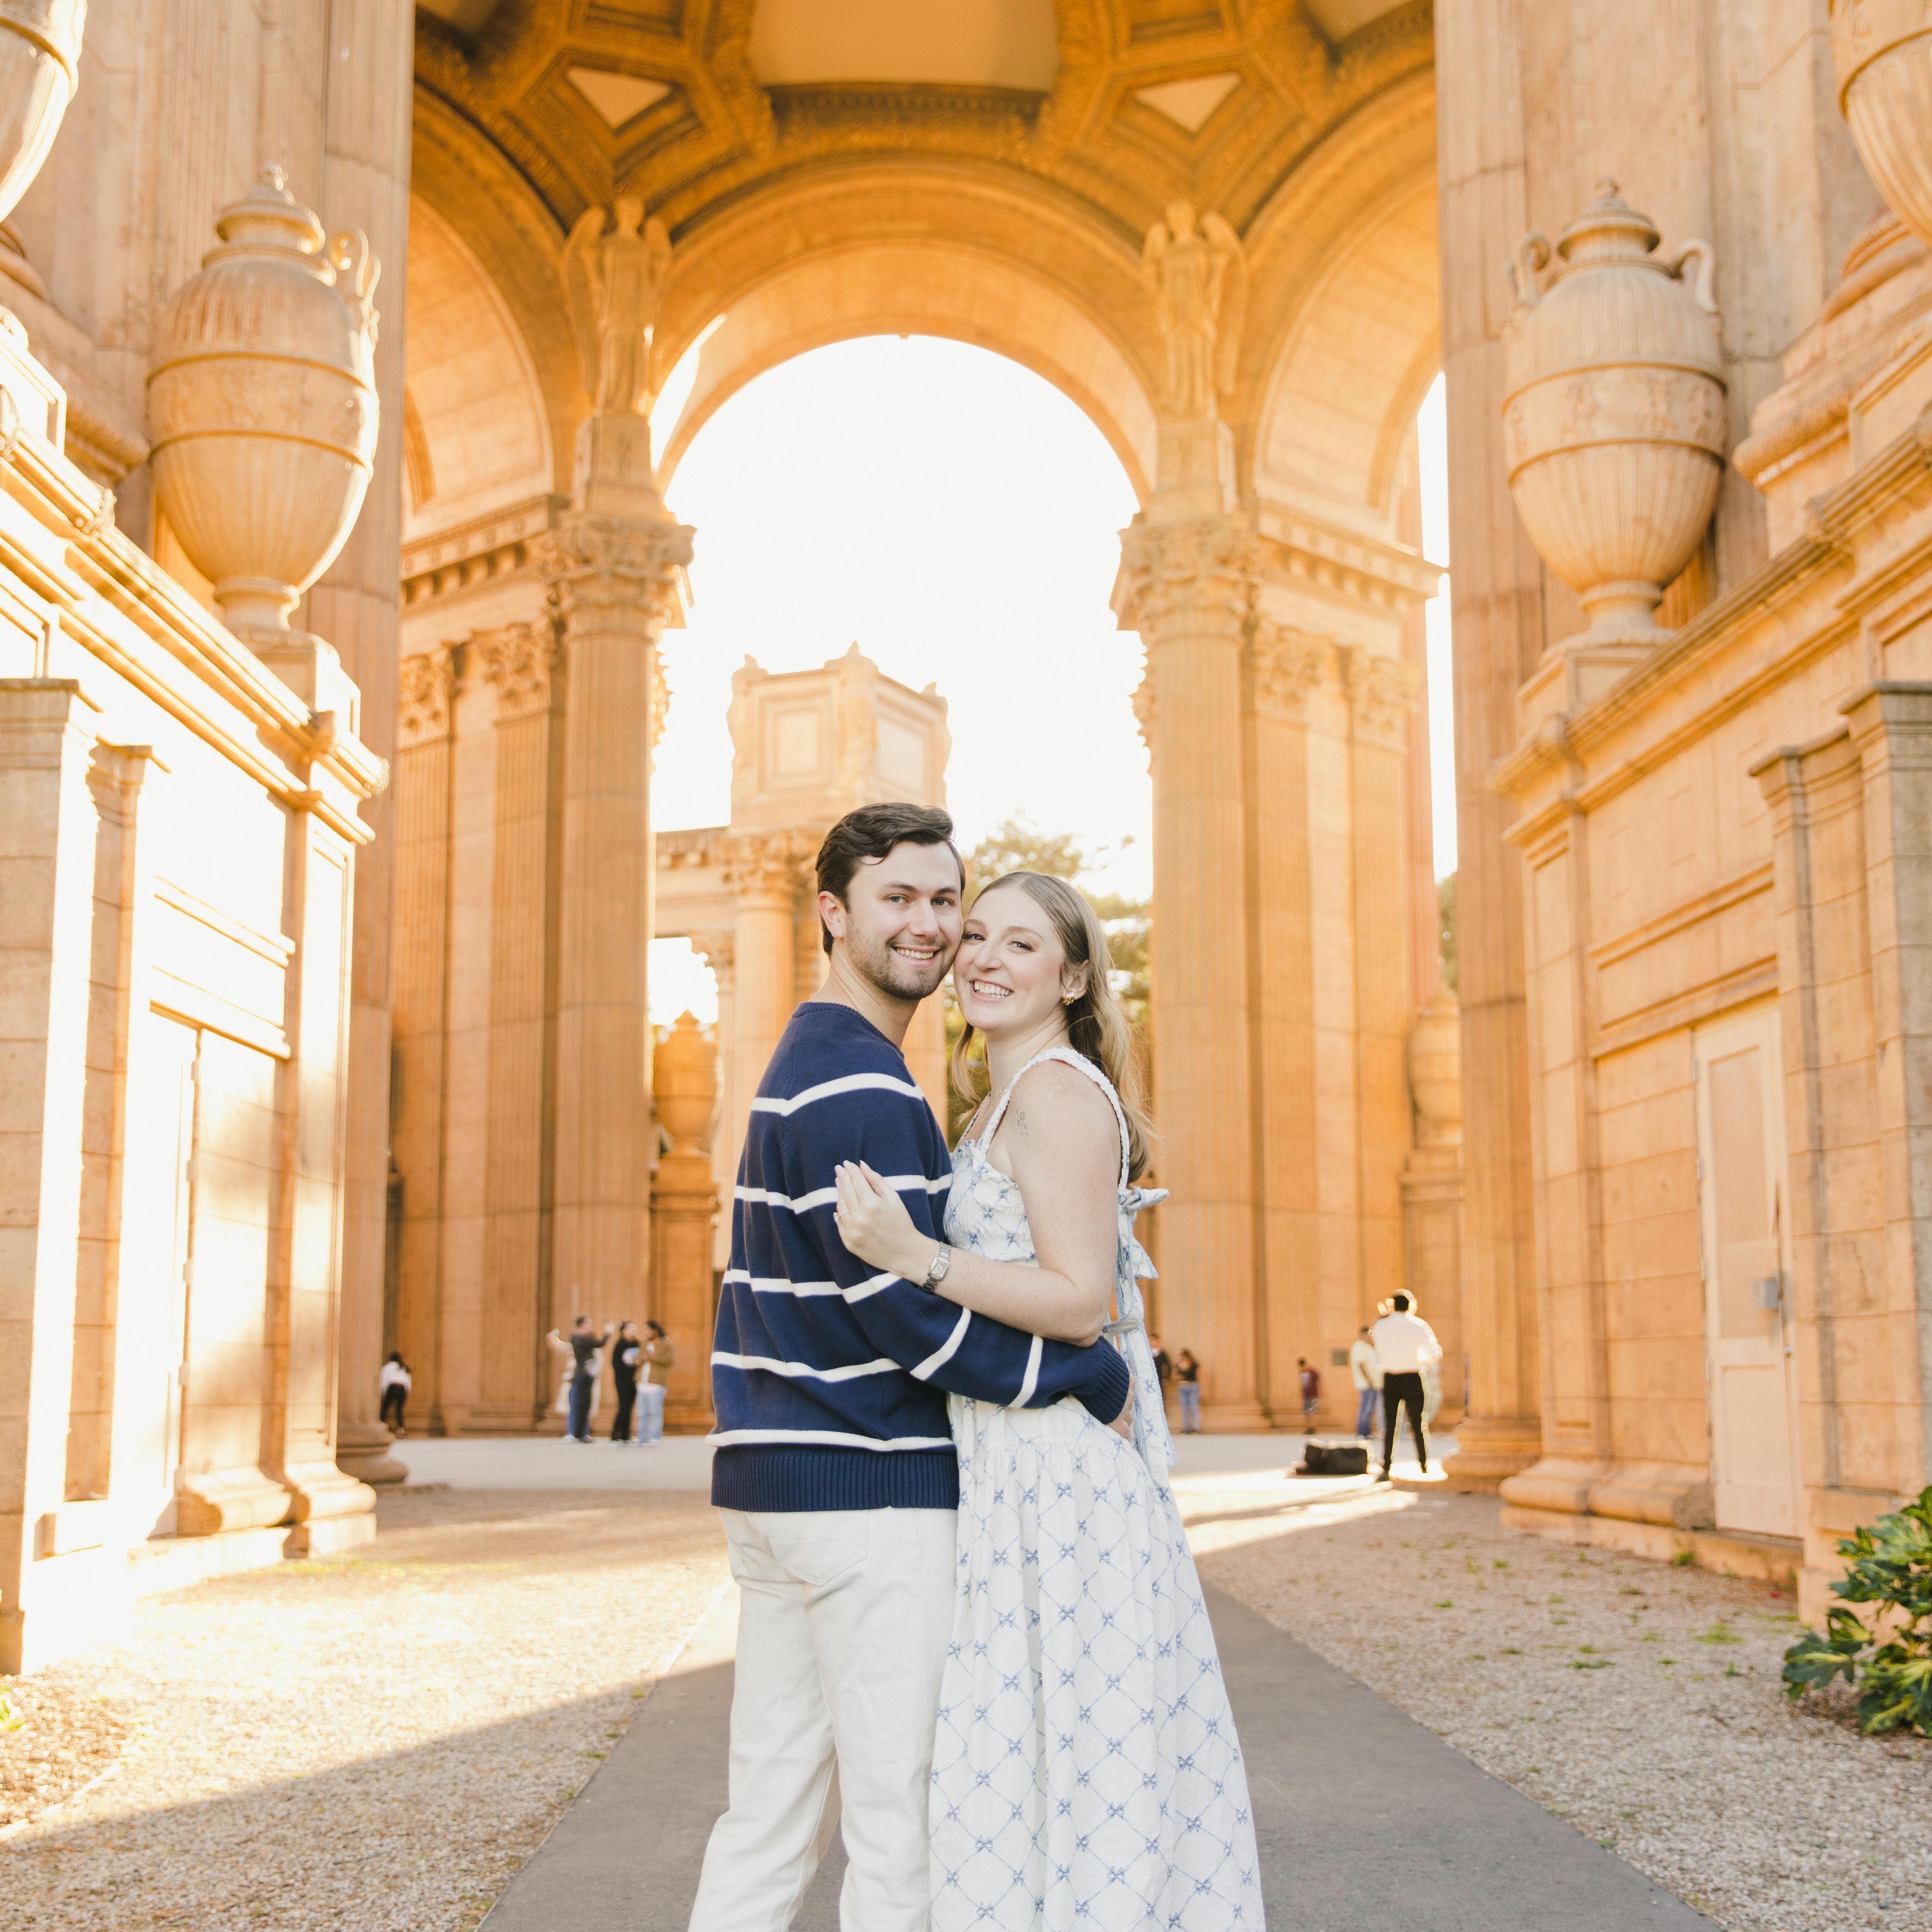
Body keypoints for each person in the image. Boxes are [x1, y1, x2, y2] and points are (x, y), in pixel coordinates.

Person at [686, 806, 1136, 1932]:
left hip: (775, 1479)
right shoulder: (868, 1089)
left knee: (769, 1813)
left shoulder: (806, 1057)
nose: (933, 928)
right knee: (906, 1823)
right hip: (868, 1493)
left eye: (947, 901)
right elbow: (906, 1320)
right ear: (833, 912)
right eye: (899, 899)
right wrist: (1083, 1375)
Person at [836, 868, 1263, 1928]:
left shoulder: (1061, 1094)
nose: (981, 955)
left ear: (1074, 975)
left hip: (1063, 1486)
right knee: (1026, 1752)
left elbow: (1077, 1301)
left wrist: (915, 1257)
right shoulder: (1000, 1102)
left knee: (1071, 1748)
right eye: (975, 934)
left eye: (1021, 945)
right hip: (1013, 1472)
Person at [1371, 1291, 1441, 1481]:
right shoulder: (1418, 1325)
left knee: (1391, 1425)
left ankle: (1387, 1466)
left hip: (1390, 1379)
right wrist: (1418, 1359)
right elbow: (1434, 1353)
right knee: (1419, 1424)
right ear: (1410, 1305)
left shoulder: (1381, 1325)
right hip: (1413, 1377)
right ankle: (1424, 1464)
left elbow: (1377, 1349)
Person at [544, 1316, 610, 1444]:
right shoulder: (577, 1342)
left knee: (587, 1407)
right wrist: (553, 1341)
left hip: (590, 1378)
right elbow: (561, 1346)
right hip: (575, 1377)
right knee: (573, 1406)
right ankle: (572, 1432)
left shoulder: (592, 1346)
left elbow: (599, 1354)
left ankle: (583, 1433)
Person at [635, 1319, 672, 1445]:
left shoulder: (666, 1344)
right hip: (642, 1383)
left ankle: (656, 1437)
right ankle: (642, 1438)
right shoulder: (645, 1344)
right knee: (642, 1412)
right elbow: (637, 1360)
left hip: (656, 1384)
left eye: (648, 1330)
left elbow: (669, 1361)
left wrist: (653, 1357)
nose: (646, 1333)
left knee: (656, 1412)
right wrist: (643, 1358)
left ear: (655, 1331)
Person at [610, 1321, 641, 1445]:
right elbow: (616, 1364)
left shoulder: (638, 1344)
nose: (633, 1332)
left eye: (635, 1329)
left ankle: (626, 1435)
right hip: (622, 1381)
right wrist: (625, 1375)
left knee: (629, 1408)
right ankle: (616, 1434)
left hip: (635, 1381)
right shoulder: (620, 1345)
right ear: (624, 1331)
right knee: (623, 1407)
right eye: (630, 1329)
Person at [1350, 1324, 1382, 1439]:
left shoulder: (1367, 1347)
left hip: (1373, 1384)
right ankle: (1362, 1432)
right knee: (1366, 1409)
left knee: (1370, 1410)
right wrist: (1369, 1380)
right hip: (1367, 1384)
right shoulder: (1359, 1346)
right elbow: (1361, 1364)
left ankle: (1368, 1432)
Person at [378, 1352, 410, 1437]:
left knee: (385, 1408)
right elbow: (408, 1382)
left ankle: (382, 1426)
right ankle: (401, 1429)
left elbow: (384, 1380)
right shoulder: (403, 1368)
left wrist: (385, 1392)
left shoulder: (388, 1367)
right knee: (399, 1410)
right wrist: (406, 1392)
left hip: (393, 1388)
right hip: (402, 1390)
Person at [1176, 1348, 1202, 1433]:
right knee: (1185, 1408)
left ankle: (1196, 1428)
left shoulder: (1194, 1365)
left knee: (1194, 1407)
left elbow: (1196, 1374)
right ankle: (1186, 1428)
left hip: (1192, 1386)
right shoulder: (1179, 1365)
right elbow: (1174, 1375)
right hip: (1183, 1387)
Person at [1149, 1331, 1172, 1408]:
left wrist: (1166, 1377)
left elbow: (1168, 1366)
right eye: (1151, 1340)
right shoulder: (1147, 1352)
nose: (1153, 1342)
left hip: (1159, 1377)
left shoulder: (1162, 1353)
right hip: (1149, 1378)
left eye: (1154, 1340)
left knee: (1160, 1395)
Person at [1297, 1356, 1320, 1433]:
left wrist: (1322, 1391)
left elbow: (1320, 1381)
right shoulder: (1302, 1373)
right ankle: (1309, 1427)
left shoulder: (1312, 1372)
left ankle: (1313, 1427)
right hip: (1306, 1396)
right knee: (1307, 1413)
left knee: (1312, 1412)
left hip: (1313, 1395)